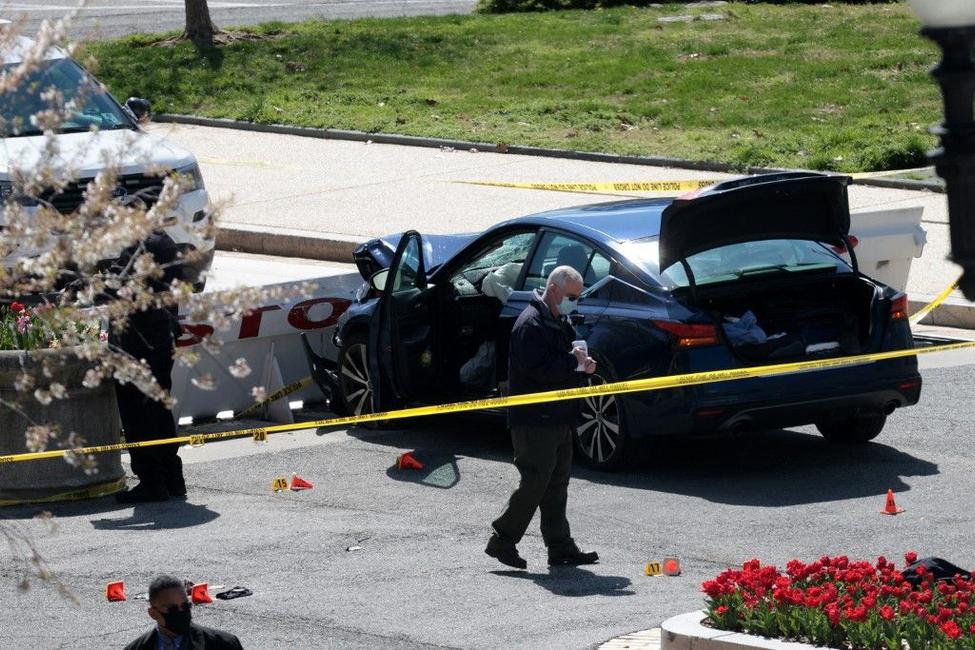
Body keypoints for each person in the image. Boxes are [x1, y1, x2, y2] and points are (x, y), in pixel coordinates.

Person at [485, 265, 599, 570]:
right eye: (572, 296)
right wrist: (574, 365)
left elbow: (570, 358)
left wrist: (585, 365)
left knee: (557, 484)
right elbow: (539, 370)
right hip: (535, 420)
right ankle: (502, 539)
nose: (575, 301)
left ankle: (560, 546)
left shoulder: (558, 321)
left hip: (559, 417)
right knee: (535, 481)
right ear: (553, 290)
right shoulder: (530, 324)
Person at [111, 232, 186, 503]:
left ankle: (152, 481)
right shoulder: (166, 242)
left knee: (137, 415)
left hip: (138, 345)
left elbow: (119, 287)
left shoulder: (140, 244)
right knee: (159, 410)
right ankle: (172, 478)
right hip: (161, 340)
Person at [124, 574, 243, 650]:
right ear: (153, 613)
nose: (181, 612)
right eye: (173, 609)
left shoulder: (224, 645)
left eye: (185, 606)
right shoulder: (136, 648)